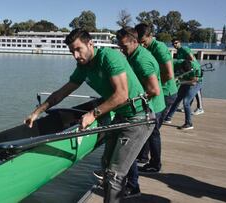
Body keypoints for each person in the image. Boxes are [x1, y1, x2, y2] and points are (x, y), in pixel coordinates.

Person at [24, 28, 155, 203]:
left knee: (114, 175)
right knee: (106, 164)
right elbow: (61, 93)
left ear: (90, 44)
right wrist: (36, 112)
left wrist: (93, 114)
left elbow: (122, 95)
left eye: (79, 49)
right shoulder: (83, 67)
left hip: (139, 118)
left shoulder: (109, 57)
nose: (76, 56)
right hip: (121, 117)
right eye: (72, 52)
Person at [116, 27, 165, 196]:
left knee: (129, 149)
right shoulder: (133, 55)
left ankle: (132, 186)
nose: (122, 50)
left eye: (124, 47)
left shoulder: (142, 60)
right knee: (133, 148)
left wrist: (129, 100)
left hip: (150, 108)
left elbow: (154, 90)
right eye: (119, 47)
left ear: (135, 42)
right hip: (146, 107)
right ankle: (129, 181)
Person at [134, 23, 178, 172]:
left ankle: (155, 164)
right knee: (149, 128)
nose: (142, 45)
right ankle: (144, 156)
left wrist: (154, 87)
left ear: (150, 36)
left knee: (153, 131)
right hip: (157, 93)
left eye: (143, 42)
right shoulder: (145, 49)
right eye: (139, 43)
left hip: (166, 93)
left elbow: (169, 74)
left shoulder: (159, 48)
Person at [164, 60, 202, 130]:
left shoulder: (196, 68)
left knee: (186, 102)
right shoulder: (175, 63)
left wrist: (180, 82)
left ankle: (189, 123)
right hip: (184, 80)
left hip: (195, 83)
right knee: (177, 99)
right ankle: (168, 118)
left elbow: (193, 82)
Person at [172, 38, 204, 115]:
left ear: (180, 43)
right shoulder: (179, 51)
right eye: (173, 44)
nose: (175, 45)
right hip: (187, 70)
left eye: (176, 43)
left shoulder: (184, 48)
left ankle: (200, 108)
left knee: (196, 89)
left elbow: (192, 59)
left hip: (193, 70)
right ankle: (187, 106)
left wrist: (193, 70)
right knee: (189, 88)